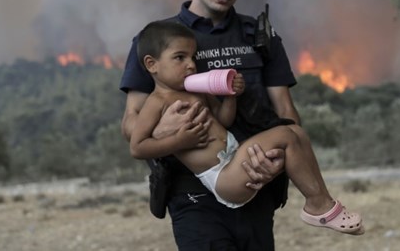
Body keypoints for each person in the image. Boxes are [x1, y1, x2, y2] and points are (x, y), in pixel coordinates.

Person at [120, 0, 301, 250]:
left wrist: (277, 161)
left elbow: (286, 111)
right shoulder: (159, 40)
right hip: (193, 193)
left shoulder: (259, 36)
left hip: (254, 186)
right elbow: (131, 121)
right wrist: (168, 130)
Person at [129, 20, 364, 236]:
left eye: (192, 57)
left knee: (295, 132)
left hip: (234, 157)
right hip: (222, 176)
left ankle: (321, 199)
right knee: (285, 134)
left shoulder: (197, 90)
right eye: (180, 58)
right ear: (152, 64)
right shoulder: (156, 102)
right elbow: (138, 147)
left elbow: (223, 121)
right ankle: (317, 205)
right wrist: (179, 141)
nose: (191, 65)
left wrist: (230, 97)